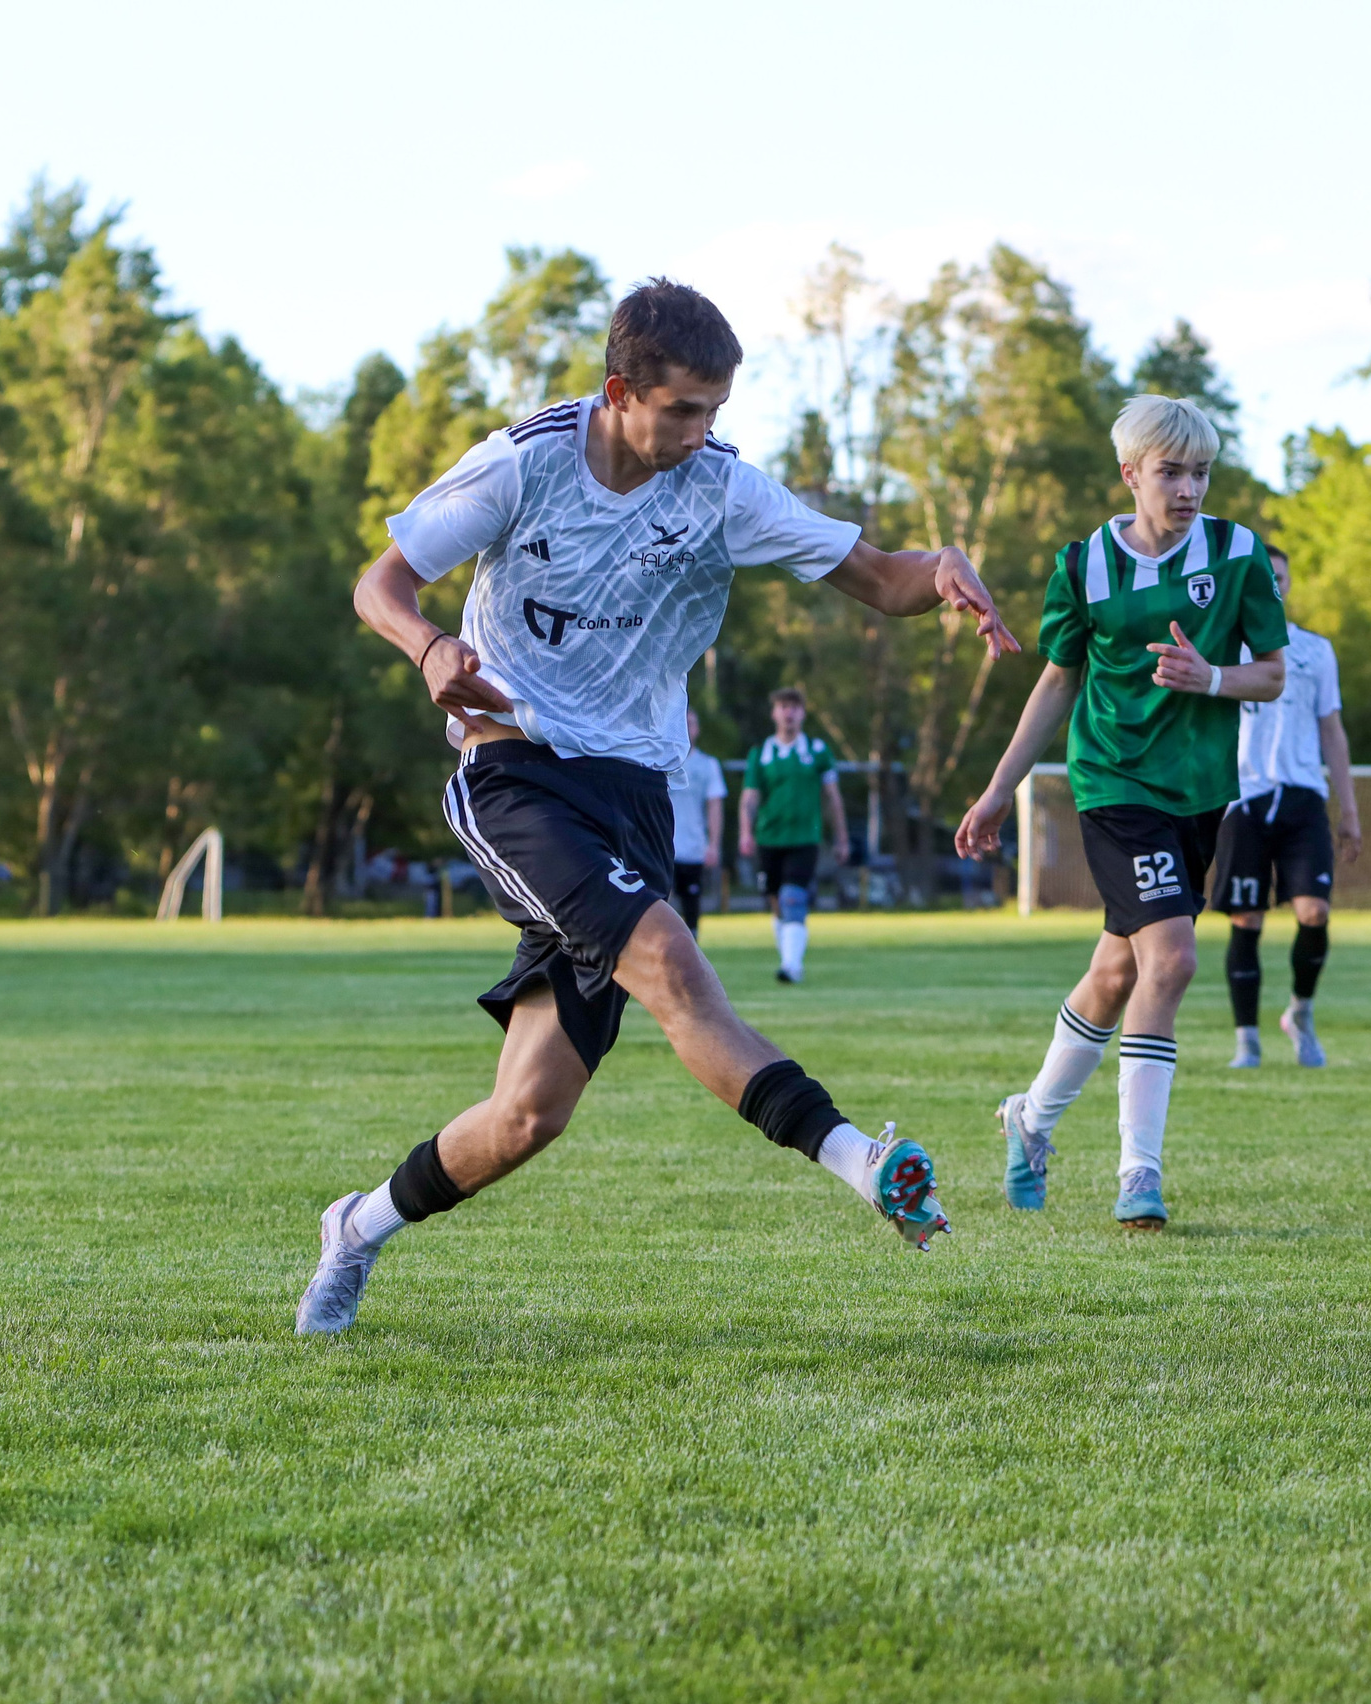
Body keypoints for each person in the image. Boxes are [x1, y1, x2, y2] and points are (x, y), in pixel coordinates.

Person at [297, 279, 1020, 1334]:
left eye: (715, 411)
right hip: (516, 774)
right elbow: (381, 584)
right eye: (682, 410)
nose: (699, 433)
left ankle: (354, 1227)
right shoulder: (525, 463)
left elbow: (877, 576)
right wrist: (430, 646)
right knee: (672, 962)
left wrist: (940, 572)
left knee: (526, 1115)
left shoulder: (720, 487)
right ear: (618, 391)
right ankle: (861, 1161)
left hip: (635, 796)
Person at [956, 395, 1288, 1231]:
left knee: (1117, 975)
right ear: (1130, 474)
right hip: (1113, 785)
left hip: (1200, 794)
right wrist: (997, 790)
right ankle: (1139, 1173)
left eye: (1201, 473)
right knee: (1170, 962)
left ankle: (1029, 1119)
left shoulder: (1238, 554)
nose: (1189, 489)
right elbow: (1057, 681)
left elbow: (1274, 673)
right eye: (1171, 472)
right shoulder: (1084, 566)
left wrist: (1211, 677)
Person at [1215, 547, 1361, 1069]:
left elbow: (1332, 730)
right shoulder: (1223, 645)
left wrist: (1350, 810)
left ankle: (1300, 1012)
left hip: (1302, 796)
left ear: (1289, 583)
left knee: (1314, 910)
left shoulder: (1316, 651)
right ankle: (1247, 1042)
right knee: (1246, 918)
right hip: (1243, 800)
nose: (1272, 585)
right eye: (1263, 577)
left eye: (1279, 577)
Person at [738, 687, 847, 983]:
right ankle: (788, 957)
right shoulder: (761, 753)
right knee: (776, 902)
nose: (789, 713)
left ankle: (791, 965)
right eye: (783, 707)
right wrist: (745, 832)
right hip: (769, 839)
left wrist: (841, 838)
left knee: (793, 898)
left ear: (803, 713)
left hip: (805, 838)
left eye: (795, 707)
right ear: (774, 713)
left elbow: (832, 796)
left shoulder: (817, 751)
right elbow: (750, 796)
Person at [669, 707, 726, 934]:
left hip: (693, 847)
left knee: (691, 903)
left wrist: (713, 844)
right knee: (660, 901)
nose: (686, 727)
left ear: (698, 729)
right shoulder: (658, 759)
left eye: (691, 722)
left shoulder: (708, 764)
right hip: (663, 846)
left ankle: (691, 946)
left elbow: (714, 805)